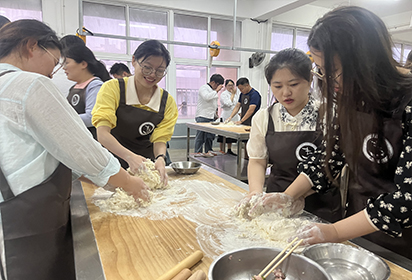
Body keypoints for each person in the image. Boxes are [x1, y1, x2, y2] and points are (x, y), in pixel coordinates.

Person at [0, 19, 149, 280]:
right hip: (30, 212)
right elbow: (79, 147)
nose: (54, 72)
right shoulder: (29, 85)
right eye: (56, 61)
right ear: (31, 46)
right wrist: (127, 182)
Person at [259, 6, 412, 259]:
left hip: (404, 243)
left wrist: (332, 232)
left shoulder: (407, 102)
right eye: (321, 70)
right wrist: (287, 198)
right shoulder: (352, 96)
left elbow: (407, 199)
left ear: (364, 61)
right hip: (358, 229)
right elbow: (328, 158)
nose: (328, 80)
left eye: (333, 71)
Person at [245, 48, 342, 222]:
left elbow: (332, 164)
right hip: (276, 199)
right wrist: (255, 193)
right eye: (278, 86)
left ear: (310, 79)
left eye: (294, 84)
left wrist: (293, 196)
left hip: (321, 202)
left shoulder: (329, 113)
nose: (286, 93)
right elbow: (258, 161)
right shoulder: (264, 117)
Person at [92, 40, 178, 186]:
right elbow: (103, 134)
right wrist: (130, 157)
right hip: (112, 165)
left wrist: (160, 158)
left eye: (160, 71)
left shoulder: (166, 102)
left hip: (145, 167)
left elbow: (160, 139)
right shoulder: (113, 89)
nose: (152, 75)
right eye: (147, 68)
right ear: (134, 61)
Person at [64, 44, 111, 139]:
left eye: (67, 63)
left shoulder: (95, 85)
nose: (64, 68)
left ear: (83, 64)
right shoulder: (73, 87)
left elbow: (92, 117)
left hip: (89, 139)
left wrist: (64, 120)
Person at [194, 74, 224, 155]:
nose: (218, 88)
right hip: (202, 116)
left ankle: (208, 151)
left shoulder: (213, 91)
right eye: (218, 85)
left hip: (211, 117)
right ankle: (198, 152)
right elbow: (207, 97)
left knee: (210, 136)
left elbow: (213, 102)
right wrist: (217, 90)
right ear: (213, 82)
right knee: (200, 136)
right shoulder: (204, 88)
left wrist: (215, 113)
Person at [217, 79, 240, 156]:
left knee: (231, 134)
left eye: (232, 85)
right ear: (226, 86)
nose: (231, 87)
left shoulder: (236, 94)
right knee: (223, 135)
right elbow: (228, 104)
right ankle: (221, 150)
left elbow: (237, 105)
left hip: (234, 116)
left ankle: (229, 150)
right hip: (226, 115)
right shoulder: (224, 94)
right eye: (229, 85)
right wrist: (232, 95)